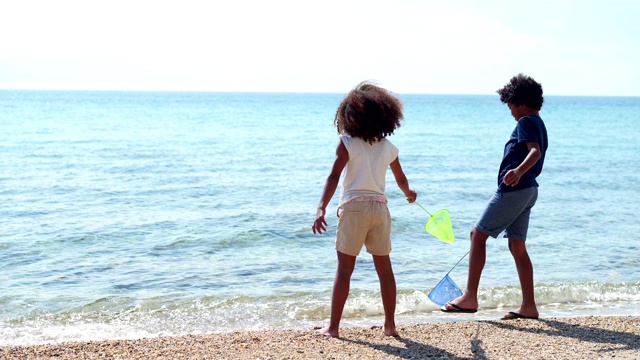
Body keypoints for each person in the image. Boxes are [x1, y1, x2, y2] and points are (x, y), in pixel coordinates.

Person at [312, 81, 417, 338]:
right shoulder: (388, 148)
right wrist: (409, 194)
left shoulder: (347, 143)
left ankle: (334, 327)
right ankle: (390, 325)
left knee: (345, 270)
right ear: (385, 116)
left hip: (354, 208)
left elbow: (334, 176)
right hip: (380, 209)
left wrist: (321, 207)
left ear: (350, 116)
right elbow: (401, 180)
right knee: (384, 269)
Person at [442, 74, 548, 320]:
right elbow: (536, 151)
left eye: (510, 104)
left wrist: (518, 171)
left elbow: (535, 152)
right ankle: (529, 306)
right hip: (529, 190)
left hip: (516, 189)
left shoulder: (525, 122)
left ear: (519, 101)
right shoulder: (539, 123)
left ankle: (470, 296)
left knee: (477, 235)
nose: (510, 110)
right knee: (517, 246)